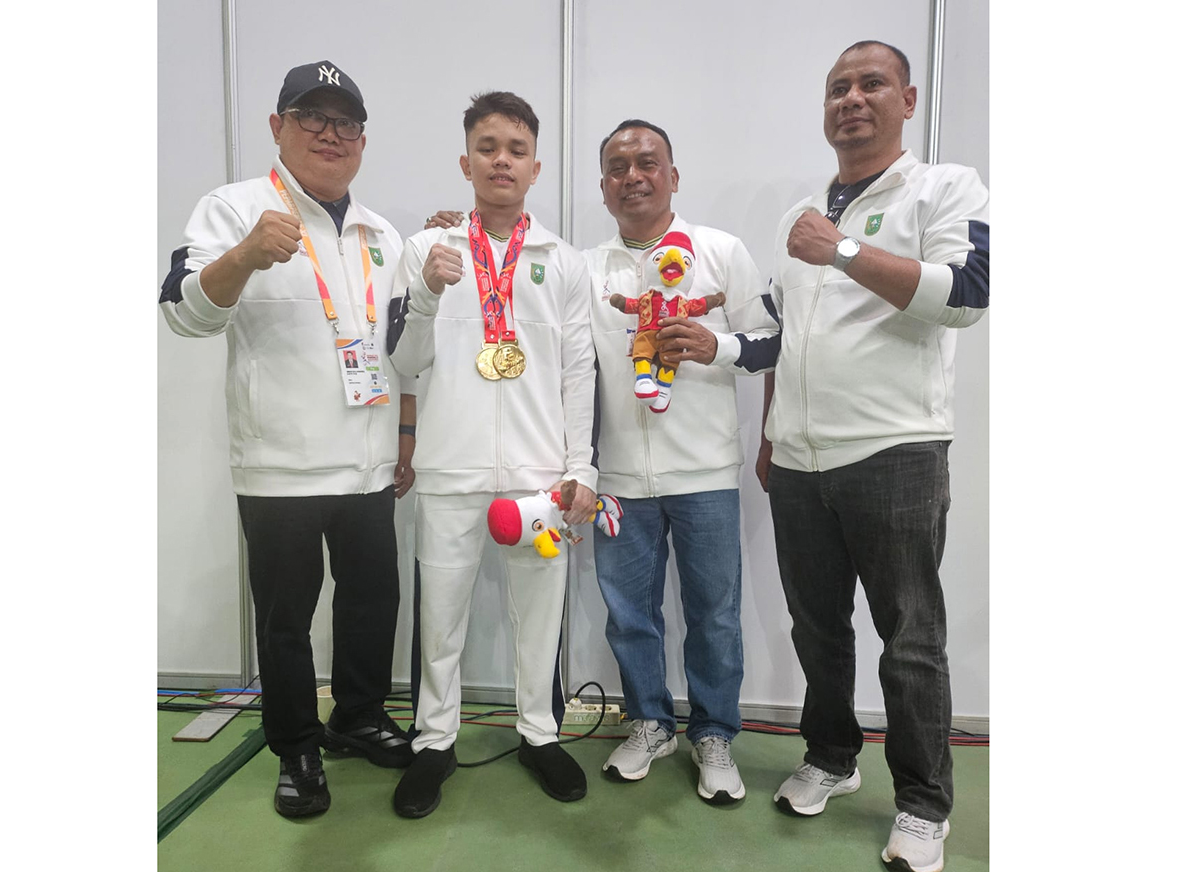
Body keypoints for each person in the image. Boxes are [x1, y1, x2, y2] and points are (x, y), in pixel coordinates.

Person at [424, 118, 779, 804]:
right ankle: (649, 721)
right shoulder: (582, 268)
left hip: (704, 474)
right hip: (616, 482)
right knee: (629, 614)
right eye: (618, 167)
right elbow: (569, 366)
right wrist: (452, 230)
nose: (633, 176)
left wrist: (719, 347)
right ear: (602, 186)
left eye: (648, 163)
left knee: (715, 613)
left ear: (673, 176)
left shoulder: (720, 251)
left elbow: (771, 341)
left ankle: (714, 735)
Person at [159, 60, 417, 819]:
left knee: (374, 603)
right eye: (312, 118)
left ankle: (358, 716)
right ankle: (297, 746)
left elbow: (403, 348)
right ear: (277, 129)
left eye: (345, 124)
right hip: (279, 469)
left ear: (362, 142)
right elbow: (182, 312)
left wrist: (403, 442)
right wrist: (243, 256)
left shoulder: (381, 231)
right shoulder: (233, 210)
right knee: (286, 621)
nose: (329, 135)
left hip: (369, 464)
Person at [759, 41, 989, 872]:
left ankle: (924, 806)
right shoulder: (801, 211)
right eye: (837, 88)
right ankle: (830, 757)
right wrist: (703, 346)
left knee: (911, 638)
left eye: (870, 84)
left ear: (909, 98)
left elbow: (967, 296)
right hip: (799, 461)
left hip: (896, 453)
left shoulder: (943, 187)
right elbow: (772, 336)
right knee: (818, 631)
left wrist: (845, 251)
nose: (851, 99)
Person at [386, 91, 598, 819]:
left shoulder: (563, 261)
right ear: (465, 160)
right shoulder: (427, 251)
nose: (500, 159)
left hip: (540, 478)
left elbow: (578, 370)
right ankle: (433, 743)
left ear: (535, 167)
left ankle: (540, 733)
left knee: (540, 615)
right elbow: (404, 363)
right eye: (487, 146)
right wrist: (424, 294)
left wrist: (583, 469)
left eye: (515, 149)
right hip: (449, 469)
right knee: (439, 617)